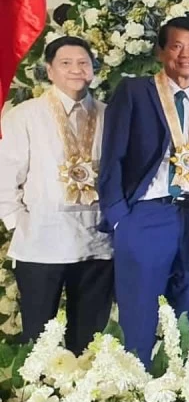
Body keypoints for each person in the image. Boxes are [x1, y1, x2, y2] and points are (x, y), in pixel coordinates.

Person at [98, 17, 189, 364]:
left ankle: (183, 396)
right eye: (177, 46)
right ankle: (136, 395)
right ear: (161, 51)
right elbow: (113, 156)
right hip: (147, 215)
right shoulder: (136, 91)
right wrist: (120, 218)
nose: (186, 54)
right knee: (139, 314)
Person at [0, 36, 113, 352]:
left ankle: (85, 400)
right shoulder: (26, 115)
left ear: (93, 70)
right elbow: (5, 176)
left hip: (97, 243)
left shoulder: (109, 115)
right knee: (39, 339)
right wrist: (18, 224)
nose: (76, 70)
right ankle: (37, 398)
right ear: (49, 70)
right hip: (41, 242)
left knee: (89, 339)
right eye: (66, 63)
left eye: (83, 63)